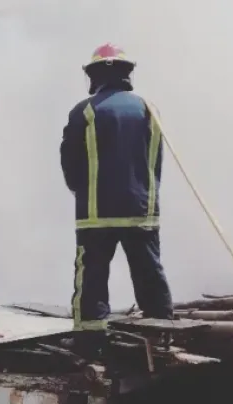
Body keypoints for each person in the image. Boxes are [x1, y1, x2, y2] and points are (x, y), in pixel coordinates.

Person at [60, 43, 174, 356]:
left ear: (94, 75)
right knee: (149, 272)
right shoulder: (150, 109)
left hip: (96, 214)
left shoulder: (84, 111)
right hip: (142, 210)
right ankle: (162, 334)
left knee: (92, 274)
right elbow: (157, 162)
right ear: (126, 74)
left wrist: (80, 191)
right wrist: (145, 195)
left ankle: (90, 339)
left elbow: (69, 160)